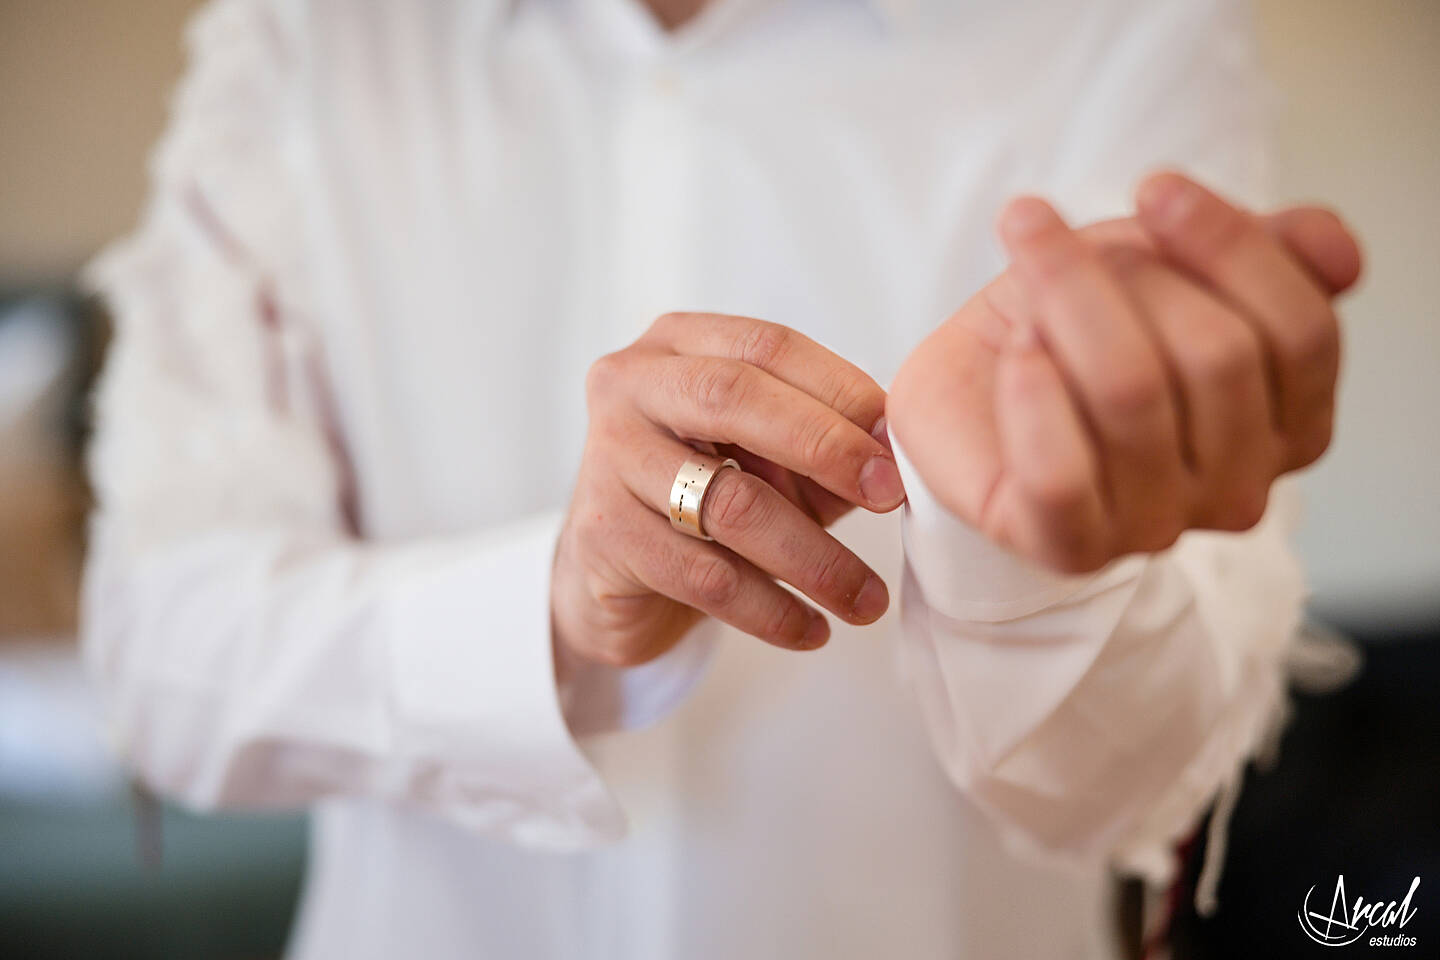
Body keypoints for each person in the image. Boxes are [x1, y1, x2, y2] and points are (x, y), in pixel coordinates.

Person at [82, 0, 1361, 956]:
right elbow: (158, 658)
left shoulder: (1120, 33)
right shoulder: (304, 44)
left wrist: (1031, 556)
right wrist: (551, 613)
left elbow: (1146, 785)